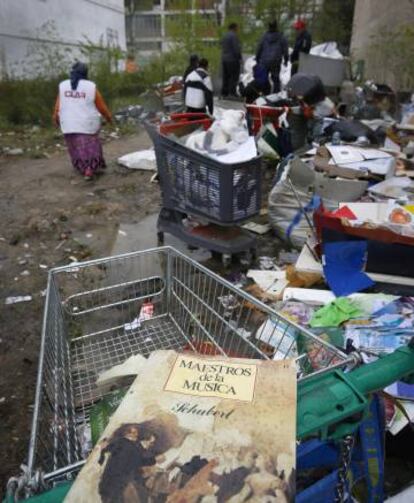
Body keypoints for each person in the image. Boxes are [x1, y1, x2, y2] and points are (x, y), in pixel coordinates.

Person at [53, 62, 112, 181]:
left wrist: (56, 119)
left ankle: (81, 167)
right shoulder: (90, 86)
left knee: (75, 147)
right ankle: (89, 169)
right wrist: (108, 118)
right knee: (90, 147)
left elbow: (58, 106)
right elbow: (101, 107)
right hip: (86, 123)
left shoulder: (63, 85)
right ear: (86, 72)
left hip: (68, 123)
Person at [256, 20, 289, 94]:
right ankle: (275, 95)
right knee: (275, 78)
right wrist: (286, 60)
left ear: (269, 27)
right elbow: (285, 50)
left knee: (263, 78)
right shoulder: (281, 37)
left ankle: (264, 94)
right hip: (275, 61)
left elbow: (259, 48)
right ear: (276, 26)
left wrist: (257, 58)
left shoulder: (264, 36)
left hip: (264, 61)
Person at [220, 22, 242, 98]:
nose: (238, 29)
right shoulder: (234, 36)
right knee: (234, 76)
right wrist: (239, 58)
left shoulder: (224, 36)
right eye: (237, 28)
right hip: (232, 59)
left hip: (224, 59)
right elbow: (236, 49)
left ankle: (224, 93)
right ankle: (232, 92)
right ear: (234, 28)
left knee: (226, 76)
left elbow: (222, 45)